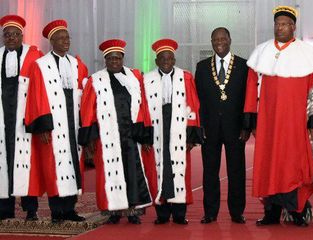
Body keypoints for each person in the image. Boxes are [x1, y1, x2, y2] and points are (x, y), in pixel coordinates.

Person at [243, 5, 313, 227]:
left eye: (284, 24)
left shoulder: (307, 54)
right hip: (268, 123)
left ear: (293, 27)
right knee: (269, 165)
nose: (280, 28)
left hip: (294, 123)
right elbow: (252, 88)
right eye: (277, 24)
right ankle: (271, 212)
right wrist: (250, 119)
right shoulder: (261, 52)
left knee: (293, 165)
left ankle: (296, 210)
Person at [78, 39, 156, 224]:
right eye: (111, 58)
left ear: (122, 58)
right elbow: (88, 109)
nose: (114, 62)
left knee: (132, 172)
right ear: (105, 60)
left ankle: (133, 211)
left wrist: (145, 135)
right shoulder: (95, 80)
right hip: (107, 135)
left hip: (131, 134)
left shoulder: (134, 77)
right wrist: (89, 139)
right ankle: (113, 212)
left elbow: (143, 105)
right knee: (109, 174)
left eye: (118, 58)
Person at [24, 19, 88, 223]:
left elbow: (84, 96)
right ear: (52, 41)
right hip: (53, 124)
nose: (65, 41)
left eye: (67, 37)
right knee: (55, 167)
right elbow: (36, 96)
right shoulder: (40, 66)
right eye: (60, 38)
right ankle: (56, 211)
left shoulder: (78, 64)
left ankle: (70, 209)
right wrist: (42, 126)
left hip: (73, 122)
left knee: (73, 165)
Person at [142, 39, 203, 225]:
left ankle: (178, 213)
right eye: (162, 58)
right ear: (156, 61)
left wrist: (191, 136)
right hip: (157, 128)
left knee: (178, 170)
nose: (166, 62)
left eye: (169, 58)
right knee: (159, 169)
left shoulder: (185, 77)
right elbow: (142, 108)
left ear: (174, 60)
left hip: (179, 128)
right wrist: (145, 136)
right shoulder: (147, 79)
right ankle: (162, 213)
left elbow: (193, 105)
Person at [195, 27, 249, 224]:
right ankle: (210, 212)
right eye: (215, 39)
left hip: (235, 128)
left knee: (236, 171)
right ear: (211, 42)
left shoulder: (244, 66)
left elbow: (248, 99)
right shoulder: (201, 67)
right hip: (210, 128)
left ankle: (237, 212)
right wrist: (199, 126)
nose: (219, 42)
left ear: (230, 40)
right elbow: (197, 100)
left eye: (223, 38)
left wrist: (247, 125)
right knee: (210, 171)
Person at [0, 15, 43, 221]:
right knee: (3, 164)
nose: (11, 38)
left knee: (28, 164)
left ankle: (31, 208)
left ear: (21, 36)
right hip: (2, 121)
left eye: (15, 34)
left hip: (24, 119)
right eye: (7, 35)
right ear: (3, 37)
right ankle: (4, 209)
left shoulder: (33, 57)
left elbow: (40, 90)